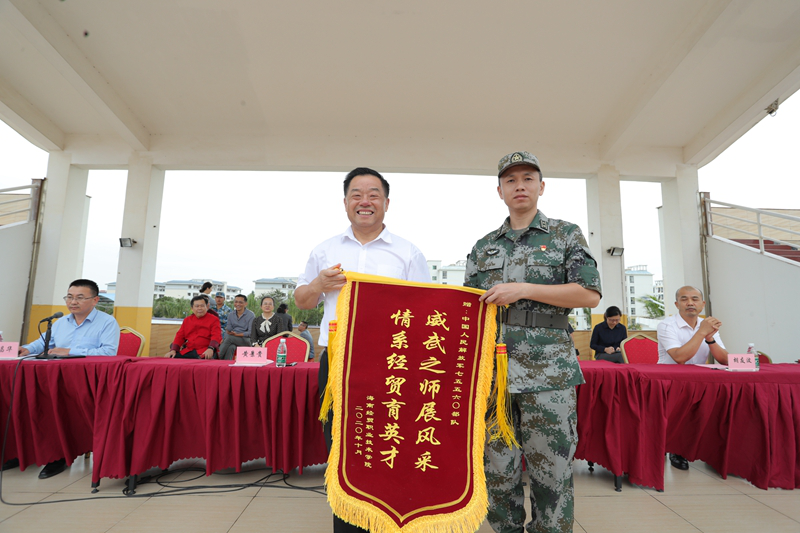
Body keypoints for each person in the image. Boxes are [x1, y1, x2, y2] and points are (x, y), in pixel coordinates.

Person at [464, 151, 601, 533]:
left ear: (542, 186)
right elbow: (468, 307)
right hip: (494, 374)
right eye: (510, 180)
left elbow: (589, 294)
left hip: (548, 372)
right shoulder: (484, 246)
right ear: (500, 191)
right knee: (496, 470)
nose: (519, 186)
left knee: (552, 472)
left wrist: (524, 289)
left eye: (527, 178)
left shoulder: (565, 234)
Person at [295, 166, 430, 533]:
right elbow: (303, 300)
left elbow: (425, 311)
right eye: (356, 194)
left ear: (386, 202)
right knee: (342, 447)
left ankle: (391, 522)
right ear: (345, 203)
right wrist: (319, 284)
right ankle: (348, 524)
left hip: (392, 365)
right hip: (338, 361)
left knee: (389, 445)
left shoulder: (408, 253)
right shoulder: (325, 250)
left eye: (373, 195)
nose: (365, 201)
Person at [16, 278, 120, 479]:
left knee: (60, 406)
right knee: (32, 401)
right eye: (69, 297)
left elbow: (109, 352)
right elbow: (43, 343)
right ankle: (27, 453)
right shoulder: (60, 322)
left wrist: (70, 351)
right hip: (57, 379)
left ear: (95, 300)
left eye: (80, 297)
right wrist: (27, 349)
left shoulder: (107, 322)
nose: (73, 302)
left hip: (89, 383)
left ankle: (61, 454)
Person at [657, 285, 728, 471]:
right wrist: (702, 332)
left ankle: (712, 450)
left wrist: (710, 338)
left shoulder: (706, 326)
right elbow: (680, 357)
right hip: (670, 382)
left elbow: (724, 359)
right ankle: (676, 448)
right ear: (676, 304)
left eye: (695, 299)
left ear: (702, 304)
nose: (690, 303)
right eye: (684, 299)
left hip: (699, 380)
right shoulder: (666, 325)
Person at [165, 295, 221, 359]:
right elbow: (179, 336)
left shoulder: (214, 319)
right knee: (171, 357)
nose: (200, 308)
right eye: (197, 306)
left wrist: (211, 348)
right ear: (192, 308)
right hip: (189, 350)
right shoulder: (187, 320)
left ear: (207, 307)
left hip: (205, 351)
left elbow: (216, 336)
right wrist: (173, 350)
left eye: (202, 306)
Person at [217, 294, 255, 360]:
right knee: (231, 347)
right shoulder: (231, 314)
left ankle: (216, 358)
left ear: (245, 304)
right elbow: (228, 329)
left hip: (246, 340)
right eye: (236, 302)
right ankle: (226, 364)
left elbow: (251, 333)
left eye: (240, 302)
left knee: (229, 338)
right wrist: (224, 339)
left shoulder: (251, 315)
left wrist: (237, 334)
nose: (238, 304)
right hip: (233, 338)